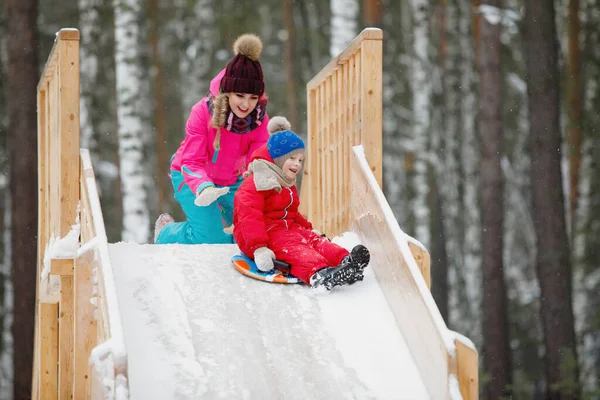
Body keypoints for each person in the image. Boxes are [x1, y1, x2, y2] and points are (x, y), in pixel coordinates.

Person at [154, 33, 271, 244]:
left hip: (232, 180)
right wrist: (204, 186)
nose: (246, 104)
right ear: (227, 92)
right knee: (211, 237)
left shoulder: (259, 119)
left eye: (253, 98)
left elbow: (258, 160)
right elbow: (191, 160)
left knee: (250, 232)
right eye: (240, 96)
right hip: (191, 176)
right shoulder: (202, 112)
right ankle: (166, 232)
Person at [232, 118, 371, 290]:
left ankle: (346, 262)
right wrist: (259, 247)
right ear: (278, 159)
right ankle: (319, 273)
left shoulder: (285, 182)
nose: (297, 164)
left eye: (300, 160)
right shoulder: (256, 182)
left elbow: (291, 212)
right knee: (296, 249)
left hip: (286, 227)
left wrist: (308, 228)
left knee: (314, 241)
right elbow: (248, 217)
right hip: (264, 235)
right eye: (292, 158)